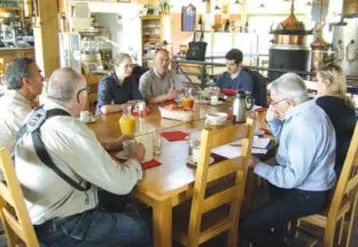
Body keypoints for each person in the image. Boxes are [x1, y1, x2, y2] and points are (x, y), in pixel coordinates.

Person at [14, 68, 152, 247]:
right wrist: (135, 157)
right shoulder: (71, 129)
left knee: (118, 199)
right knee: (143, 228)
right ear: (79, 96)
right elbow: (122, 184)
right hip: (61, 227)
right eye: (86, 91)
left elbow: (62, 150)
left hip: (37, 212)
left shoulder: (36, 115)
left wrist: (108, 145)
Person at [240, 73, 336, 247]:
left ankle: (278, 238)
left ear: (289, 102)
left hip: (307, 193)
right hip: (316, 182)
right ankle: (280, 234)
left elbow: (292, 178)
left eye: (274, 102)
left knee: (246, 225)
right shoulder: (312, 109)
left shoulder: (303, 126)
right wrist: (274, 123)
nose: (272, 106)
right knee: (272, 179)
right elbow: (289, 140)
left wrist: (256, 165)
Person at [315, 64, 356, 177]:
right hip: (345, 162)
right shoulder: (348, 104)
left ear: (327, 82)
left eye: (318, 80)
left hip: (329, 166)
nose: (316, 83)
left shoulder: (322, 103)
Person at [0, 58, 44, 149]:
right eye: (39, 73)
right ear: (26, 81)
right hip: (14, 161)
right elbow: (48, 140)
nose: (42, 78)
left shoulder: (6, 99)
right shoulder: (19, 112)